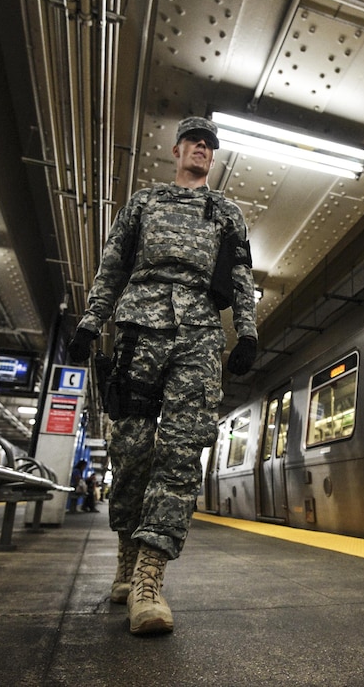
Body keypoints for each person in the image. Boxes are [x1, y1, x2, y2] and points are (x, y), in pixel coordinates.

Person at [66, 115, 258, 635]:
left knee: (180, 451)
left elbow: (241, 275)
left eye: (209, 145)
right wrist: (89, 323)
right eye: (194, 142)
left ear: (212, 158)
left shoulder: (226, 212)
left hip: (198, 333)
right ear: (176, 151)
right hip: (138, 327)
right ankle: (127, 558)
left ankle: (150, 577)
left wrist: (248, 331)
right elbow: (113, 265)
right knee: (132, 453)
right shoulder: (143, 203)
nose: (202, 149)